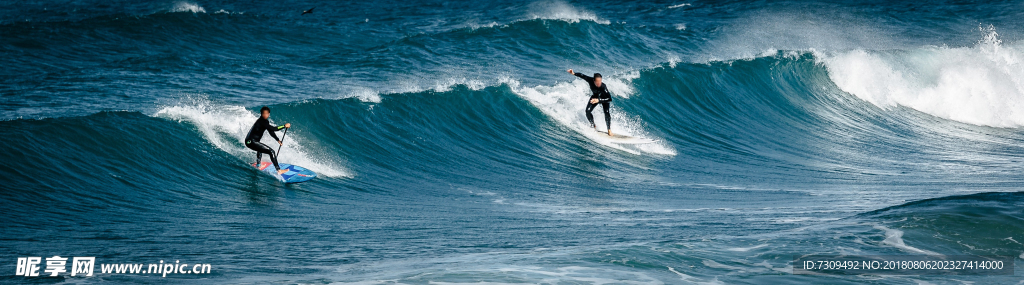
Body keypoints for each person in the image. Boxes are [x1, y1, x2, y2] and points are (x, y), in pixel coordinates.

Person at [245, 106, 291, 175]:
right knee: (271, 152)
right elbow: (273, 128)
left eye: (266, 114)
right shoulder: (262, 121)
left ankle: (258, 165)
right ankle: (279, 170)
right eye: (264, 113)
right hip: (251, 141)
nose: (265, 115)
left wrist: (278, 140)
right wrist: (284, 126)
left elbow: (271, 131)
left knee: (260, 148)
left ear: (269, 114)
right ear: (261, 114)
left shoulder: (264, 122)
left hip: (249, 141)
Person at [567, 69, 613, 135]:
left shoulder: (603, 87)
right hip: (595, 97)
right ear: (594, 80)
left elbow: (609, 99)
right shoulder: (590, 80)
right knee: (587, 111)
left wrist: (599, 100)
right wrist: (573, 73)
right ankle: (593, 125)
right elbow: (582, 75)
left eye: (600, 81)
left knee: (606, 112)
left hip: (604, 99)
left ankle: (609, 129)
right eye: (597, 81)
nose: (599, 83)